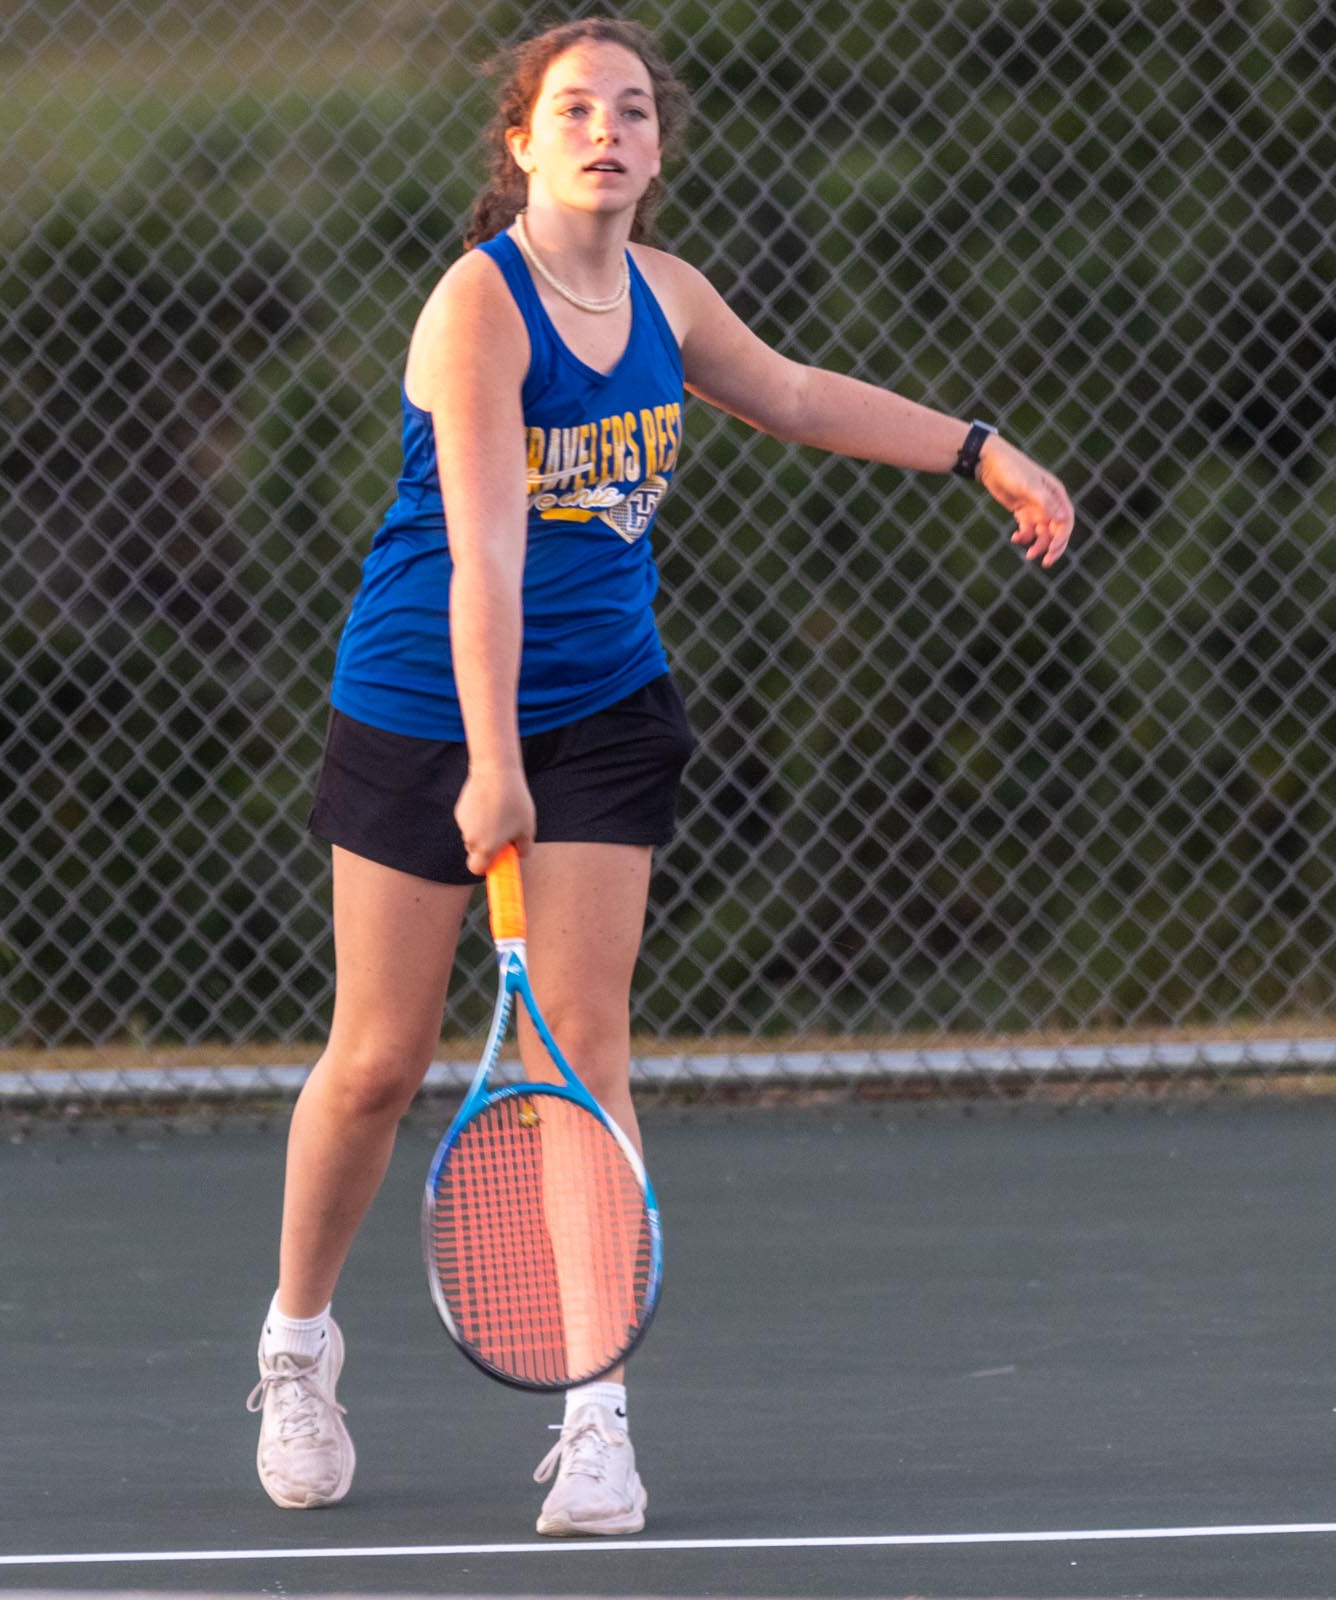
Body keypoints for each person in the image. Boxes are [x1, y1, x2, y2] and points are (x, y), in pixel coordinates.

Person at [245, 16, 1075, 1537]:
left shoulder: (667, 296)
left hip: (608, 711)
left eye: (632, 111)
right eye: (574, 110)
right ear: (521, 143)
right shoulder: (477, 309)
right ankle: (297, 1347)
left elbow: (801, 396)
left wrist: (981, 450)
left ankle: (596, 1417)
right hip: (428, 707)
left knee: (579, 1059)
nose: (606, 132)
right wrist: (492, 766)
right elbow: (485, 556)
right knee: (377, 1060)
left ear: (657, 148)